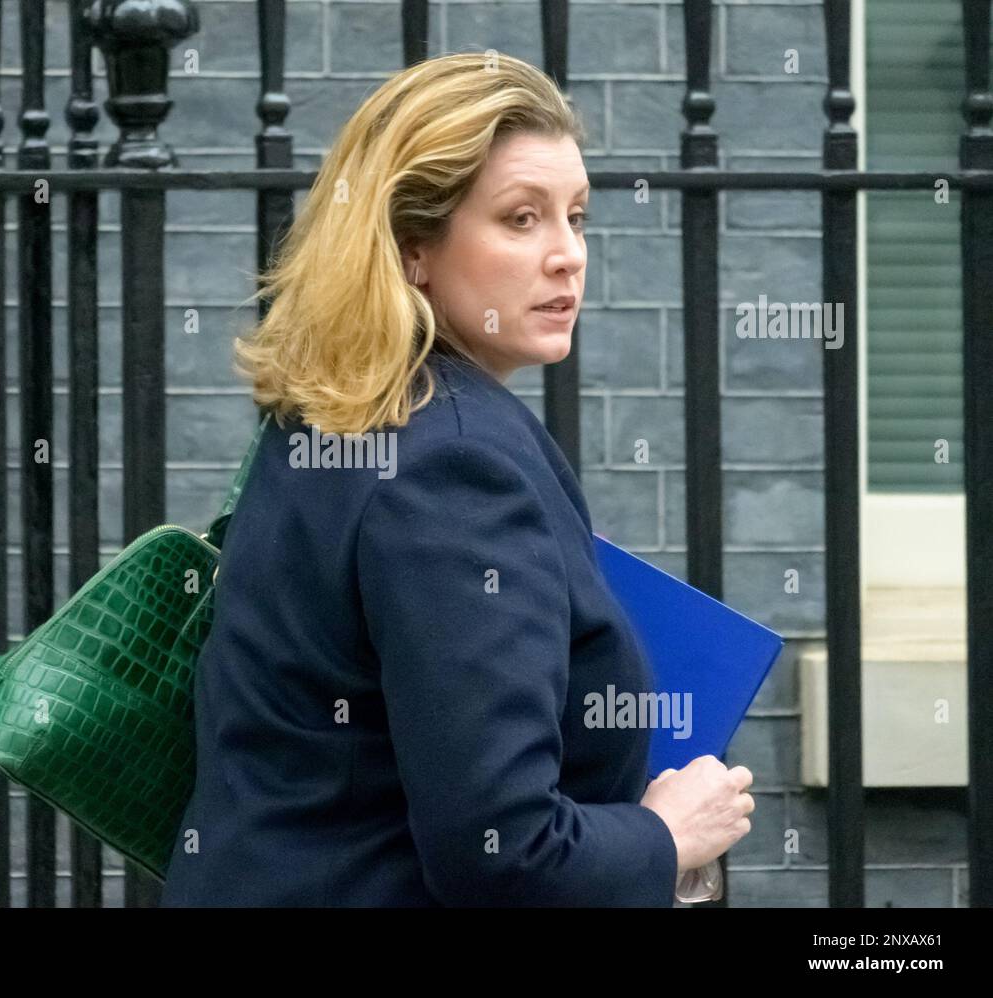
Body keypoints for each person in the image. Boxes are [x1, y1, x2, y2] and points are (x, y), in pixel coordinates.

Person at [159, 51, 753, 907]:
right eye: (520, 219)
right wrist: (665, 838)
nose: (567, 257)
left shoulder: (336, 419)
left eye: (577, 218)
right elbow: (503, 853)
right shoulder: (453, 465)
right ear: (411, 251)